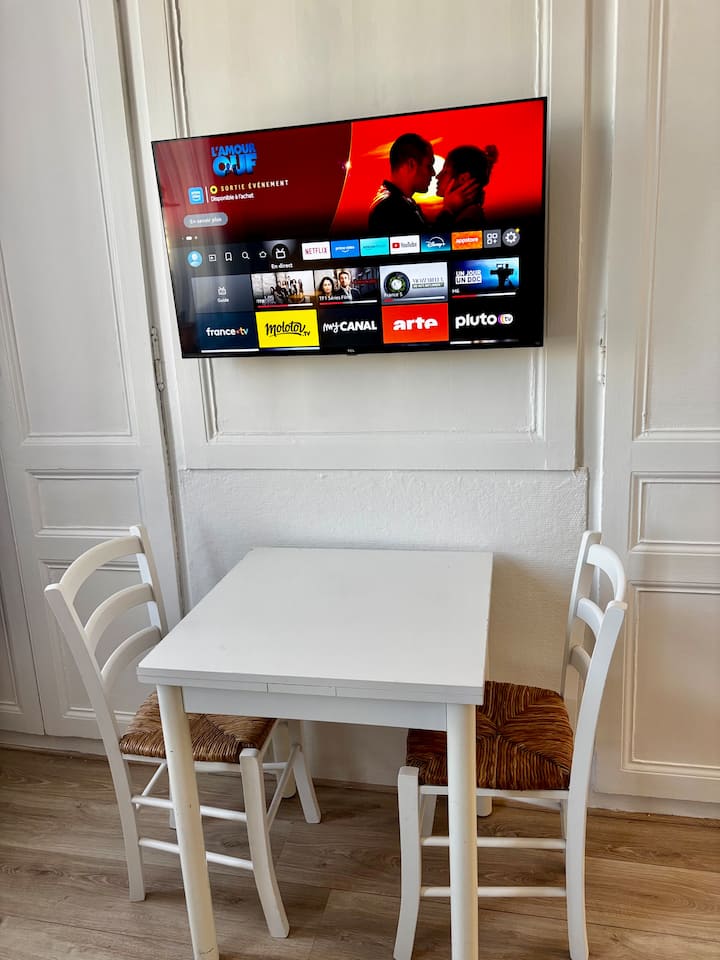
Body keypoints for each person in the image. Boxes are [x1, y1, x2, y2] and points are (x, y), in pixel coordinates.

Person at [368, 133, 479, 234]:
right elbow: (429, 245)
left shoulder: (400, 203)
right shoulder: (390, 210)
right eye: (429, 165)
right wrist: (448, 210)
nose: (433, 173)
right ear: (411, 165)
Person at [435, 144, 498, 226]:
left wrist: (447, 211)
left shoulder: (468, 221)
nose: (437, 176)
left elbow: (438, 234)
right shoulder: (468, 215)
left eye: (445, 171)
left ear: (463, 179)